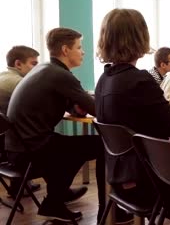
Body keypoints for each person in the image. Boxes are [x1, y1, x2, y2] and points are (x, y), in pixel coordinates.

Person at [95, 8, 170, 224]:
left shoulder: (104, 80)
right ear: (139, 37)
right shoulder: (139, 81)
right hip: (150, 183)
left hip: (120, 178)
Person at [5, 28, 104, 222]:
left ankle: (56, 199)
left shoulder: (44, 69)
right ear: (66, 50)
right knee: (99, 145)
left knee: (72, 149)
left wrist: (78, 106)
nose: (83, 52)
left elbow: (73, 103)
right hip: (31, 151)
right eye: (79, 47)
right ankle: (66, 202)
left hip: (17, 148)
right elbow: (98, 109)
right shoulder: (60, 75)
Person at [0, 45, 41, 195]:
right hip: (13, 146)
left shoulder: (4, 76)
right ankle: (60, 194)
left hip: (6, 144)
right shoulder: (18, 83)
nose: (37, 68)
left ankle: (18, 187)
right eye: (33, 63)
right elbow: (40, 102)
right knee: (51, 142)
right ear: (18, 64)